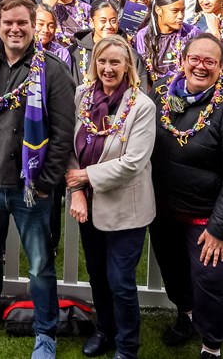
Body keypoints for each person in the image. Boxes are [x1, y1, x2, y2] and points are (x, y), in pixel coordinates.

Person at [0, 0, 76, 359]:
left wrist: (45, 183)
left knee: (40, 264)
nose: (14, 28)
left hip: (31, 187)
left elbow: (62, 134)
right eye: (8, 22)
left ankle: (46, 330)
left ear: (33, 26)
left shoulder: (53, 70)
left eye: (22, 23)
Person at [152, 32, 223, 358]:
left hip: (208, 216)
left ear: (221, 66)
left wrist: (219, 229)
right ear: (182, 61)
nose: (201, 66)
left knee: (210, 280)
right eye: (194, 59)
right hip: (165, 211)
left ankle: (211, 345)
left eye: (209, 61)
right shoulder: (161, 95)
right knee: (174, 273)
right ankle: (185, 315)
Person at [67, 35, 157, 359]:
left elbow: (134, 161)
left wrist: (87, 176)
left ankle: (127, 346)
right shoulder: (81, 96)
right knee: (97, 275)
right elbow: (70, 148)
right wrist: (77, 191)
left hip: (125, 207)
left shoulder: (142, 106)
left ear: (127, 66)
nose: (107, 68)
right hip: (87, 205)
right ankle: (105, 329)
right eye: (102, 61)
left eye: (115, 62)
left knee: (120, 280)